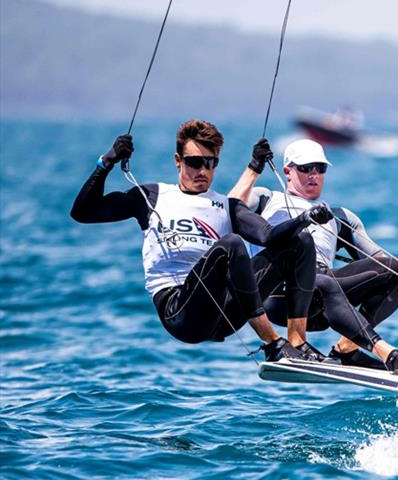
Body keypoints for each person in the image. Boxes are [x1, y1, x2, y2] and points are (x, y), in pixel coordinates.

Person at [70, 120, 332, 361]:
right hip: (180, 313)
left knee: (300, 241)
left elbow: (269, 236)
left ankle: (297, 342)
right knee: (231, 244)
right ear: (178, 160)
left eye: (211, 163)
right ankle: (273, 343)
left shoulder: (226, 206)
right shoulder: (152, 196)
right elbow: (83, 213)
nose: (203, 171)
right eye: (195, 162)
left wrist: (304, 219)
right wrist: (106, 163)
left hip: (224, 314)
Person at [228, 139, 398, 372]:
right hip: (279, 297)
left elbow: (379, 258)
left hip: (323, 298)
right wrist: (254, 167)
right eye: (305, 168)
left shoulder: (340, 217)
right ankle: (388, 354)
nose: (313, 175)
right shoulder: (266, 199)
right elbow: (231, 207)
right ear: (287, 171)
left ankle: (347, 350)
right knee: (321, 282)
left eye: (319, 169)